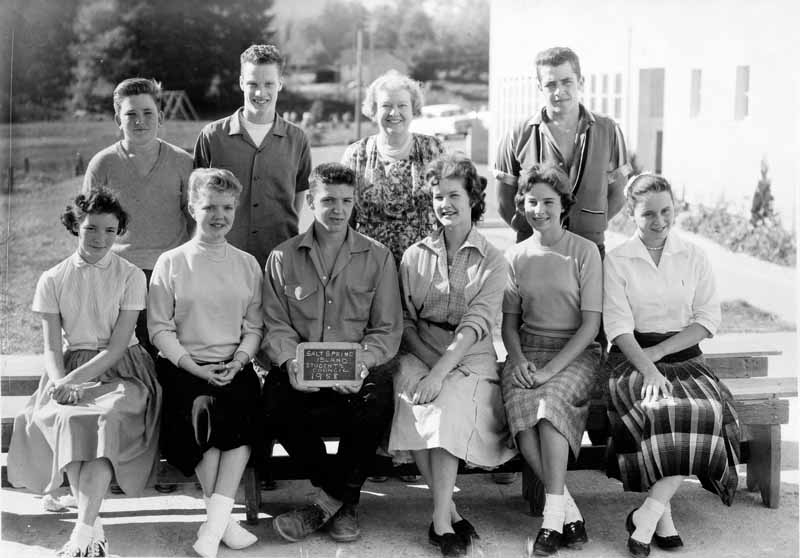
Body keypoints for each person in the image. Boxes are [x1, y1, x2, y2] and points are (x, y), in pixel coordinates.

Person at [8, 188, 162, 558]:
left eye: (110, 231)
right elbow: (49, 346)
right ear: (75, 226)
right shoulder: (53, 278)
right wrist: (61, 383)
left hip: (124, 372)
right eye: (91, 229)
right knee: (70, 420)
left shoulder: (130, 276)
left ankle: (80, 535)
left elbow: (116, 346)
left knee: (105, 419)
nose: (100, 239)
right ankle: (93, 533)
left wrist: (70, 383)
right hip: (70, 371)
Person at [260, 162, 402, 544]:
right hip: (302, 369)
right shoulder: (282, 257)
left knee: (378, 399)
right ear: (310, 201)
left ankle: (324, 505)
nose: (337, 209)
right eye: (328, 200)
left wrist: (362, 363)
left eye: (346, 201)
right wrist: (290, 362)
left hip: (354, 368)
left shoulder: (377, 256)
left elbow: (386, 329)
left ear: (354, 203)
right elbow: (274, 324)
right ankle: (343, 499)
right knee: (273, 402)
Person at [603, 173, 740, 557]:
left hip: (685, 358)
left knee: (701, 410)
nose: (659, 221)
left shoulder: (694, 255)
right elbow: (617, 326)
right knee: (661, 410)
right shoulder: (617, 261)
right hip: (633, 361)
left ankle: (647, 513)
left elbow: (707, 319)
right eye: (648, 214)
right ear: (631, 213)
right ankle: (660, 516)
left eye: (666, 211)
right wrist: (648, 367)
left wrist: (661, 355)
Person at [388, 154, 517, 557]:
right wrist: (428, 365)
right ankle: (449, 511)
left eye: (454, 195)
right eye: (438, 196)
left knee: (446, 405)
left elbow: (476, 325)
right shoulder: (414, 256)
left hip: (471, 353)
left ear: (473, 198)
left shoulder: (494, 259)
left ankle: (440, 522)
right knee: (418, 402)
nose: (445, 203)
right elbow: (405, 321)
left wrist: (440, 372)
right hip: (417, 349)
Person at [147, 168, 264, 558]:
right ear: (192, 207)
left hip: (234, 365)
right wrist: (195, 368)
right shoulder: (172, 262)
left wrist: (241, 359)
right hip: (185, 368)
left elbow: (255, 325)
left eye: (227, 207)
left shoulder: (248, 264)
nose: (219, 215)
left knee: (242, 420)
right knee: (204, 414)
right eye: (210, 206)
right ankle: (222, 525)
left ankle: (212, 528)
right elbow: (159, 329)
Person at [500, 164, 602, 555]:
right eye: (531, 201)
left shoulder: (584, 252)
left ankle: (550, 518)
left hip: (574, 352)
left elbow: (591, 326)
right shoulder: (515, 256)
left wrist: (548, 372)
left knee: (548, 405)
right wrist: (521, 360)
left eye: (548, 202)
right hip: (528, 350)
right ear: (521, 204)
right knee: (524, 416)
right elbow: (509, 325)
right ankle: (567, 511)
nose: (538, 209)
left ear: (564, 206)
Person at [83, 77, 193, 358]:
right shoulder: (103, 164)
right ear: (118, 119)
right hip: (119, 275)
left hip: (170, 274)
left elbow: (194, 221)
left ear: (162, 117)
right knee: (129, 354)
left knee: (170, 354)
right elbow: (88, 229)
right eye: (131, 114)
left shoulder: (183, 163)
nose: (140, 121)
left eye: (148, 113)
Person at [494, 46, 631, 255]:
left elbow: (618, 195)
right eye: (550, 84)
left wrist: (591, 224)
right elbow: (504, 202)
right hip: (534, 251)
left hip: (590, 250)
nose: (559, 92)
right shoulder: (517, 134)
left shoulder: (609, 130)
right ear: (540, 87)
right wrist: (534, 230)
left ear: (581, 82)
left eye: (567, 81)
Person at [194, 44, 311, 269]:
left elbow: (297, 199)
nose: (260, 93)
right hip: (222, 261)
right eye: (252, 84)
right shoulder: (212, 137)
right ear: (240, 83)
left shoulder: (297, 139)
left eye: (268, 84)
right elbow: (196, 200)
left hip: (278, 261)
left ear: (280, 84)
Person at [341, 69, 446, 266]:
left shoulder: (434, 149)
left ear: (413, 109)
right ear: (373, 110)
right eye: (386, 105)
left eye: (402, 105)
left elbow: (448, 206)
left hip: (424, 264)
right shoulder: (355, 154)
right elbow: (345, 215)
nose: (394, 112)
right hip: (368, 265)